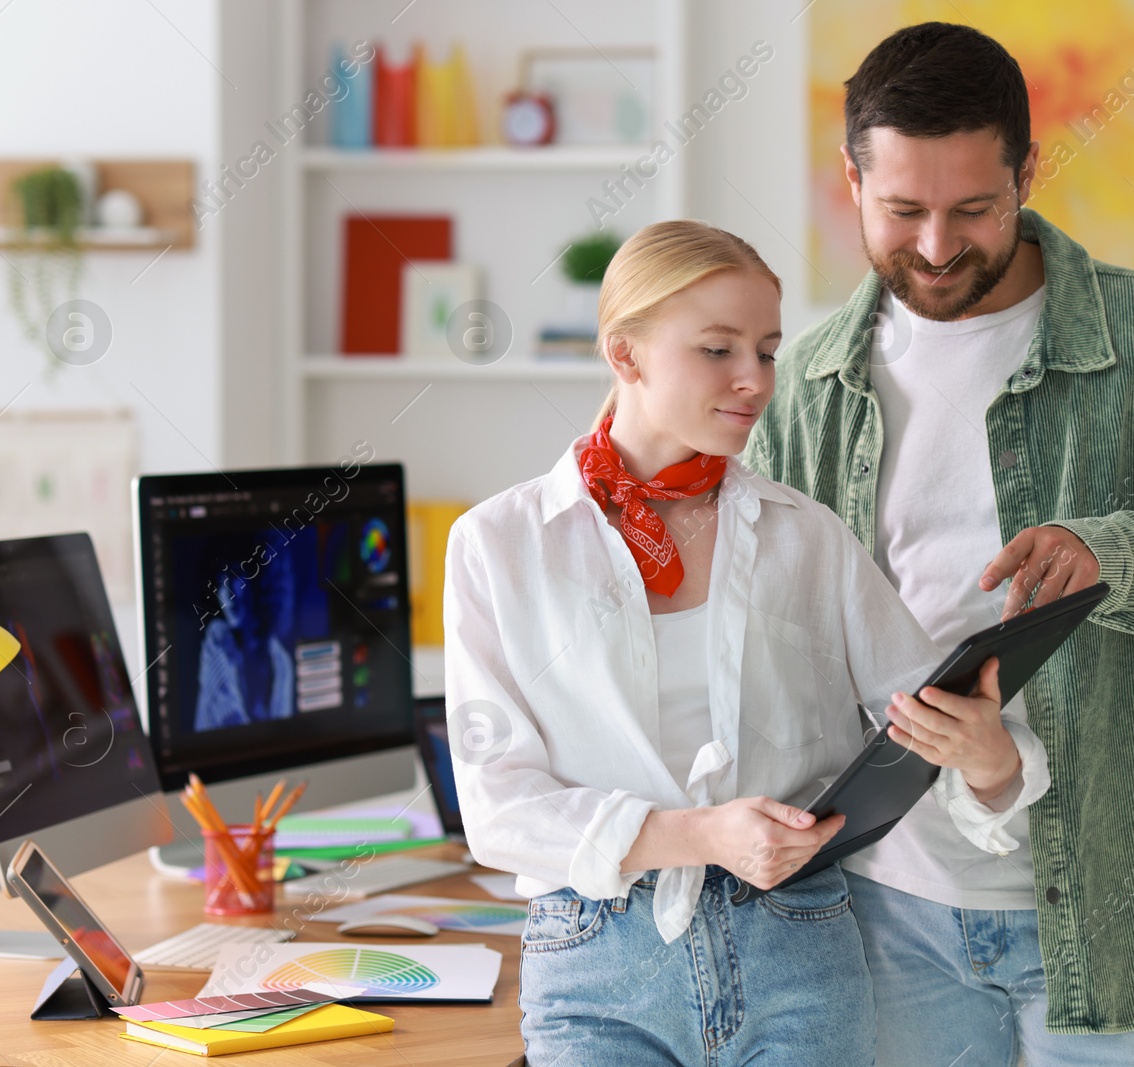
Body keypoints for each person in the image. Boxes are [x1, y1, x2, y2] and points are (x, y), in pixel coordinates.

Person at [745, 22, 1134, 1067]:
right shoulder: (807, 386)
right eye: (901, 210)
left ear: (1026, 169)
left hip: (1121, 915)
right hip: (887, 909)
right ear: (850, 178)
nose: (934, 246)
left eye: (972, 208)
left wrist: (1124, 555)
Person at [443, 220, 1047, 1066]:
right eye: (717, 350)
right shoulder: (498, 544)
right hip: (596, 966)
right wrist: (703, 834)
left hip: (797, 952)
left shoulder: (809, 537)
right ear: (626, 355)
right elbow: (499, 809)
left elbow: (927, 721)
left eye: (765, 350)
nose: (754, 381)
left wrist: (991, 763)